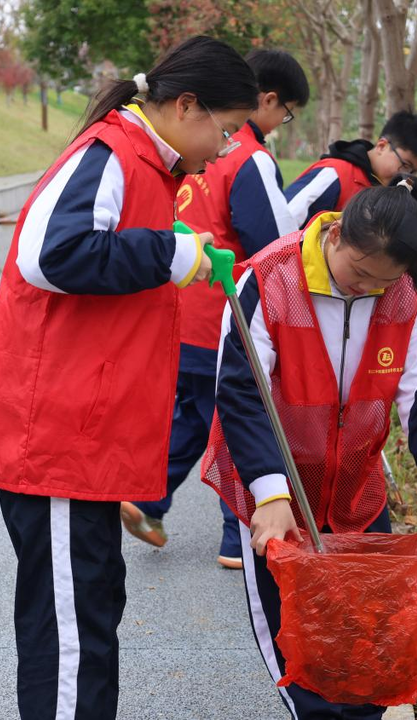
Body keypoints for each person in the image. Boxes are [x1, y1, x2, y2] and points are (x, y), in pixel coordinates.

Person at [0, 36, 259, 720]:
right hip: (54, 445)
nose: (229, 148)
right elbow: (47, 254)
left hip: (83, 446)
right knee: (71, 634)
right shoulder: (111, 154)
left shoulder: (150, 166)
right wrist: (170, 254)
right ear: (186, 106)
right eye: (228, 129)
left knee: (90, 609)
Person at [202, 178, 417, 719]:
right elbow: (240, 392)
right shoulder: (269, 280)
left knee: (367, 643)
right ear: (337, 235)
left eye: (382, 281)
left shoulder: (406, 299)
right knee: (297, 649)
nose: (364, 288)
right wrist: (270, 493)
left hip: (357, 495)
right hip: (277, 494)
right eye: (357, 272)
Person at [120, 48, 311, 571]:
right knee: (238, 417)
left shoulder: (180, 150)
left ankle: (151, 499)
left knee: (195, 411)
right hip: (224, 321)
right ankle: (238, 537)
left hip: (176, 316)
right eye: (286, 111)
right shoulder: (247, 158)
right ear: (262, 100)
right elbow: (277, 247)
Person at [285, 111, 417, 228]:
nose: (406, 176)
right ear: (382, 146)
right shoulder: (336, 174)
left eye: (415, 171)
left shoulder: (390, 194)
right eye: (406, 165)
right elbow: (283, 221)